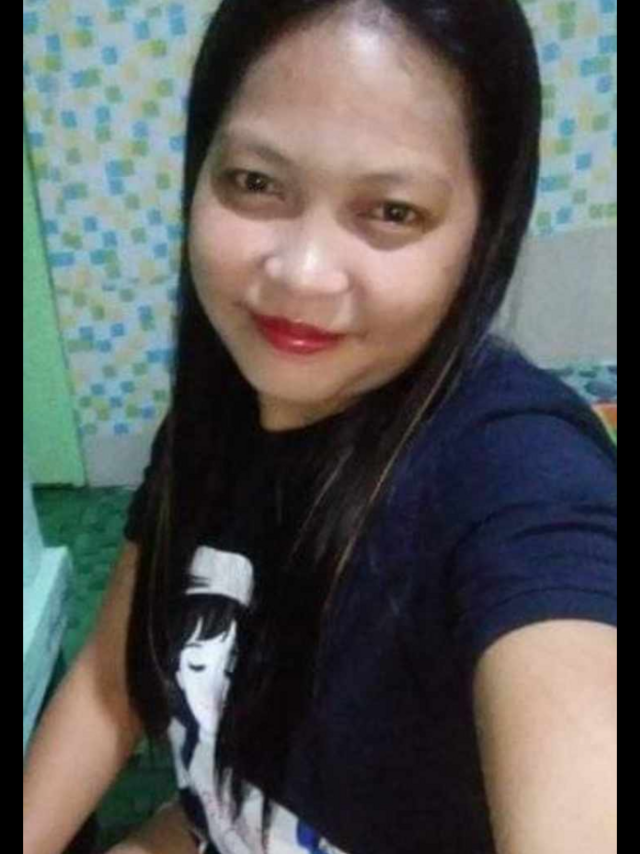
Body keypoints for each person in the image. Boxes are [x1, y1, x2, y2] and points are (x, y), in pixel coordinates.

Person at [23, 1, 617, 852]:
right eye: (256, 183)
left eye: (393, 211)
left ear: (483, 235)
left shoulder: (521, 479)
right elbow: (112, 684)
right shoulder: (217, 411)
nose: (300, 275)